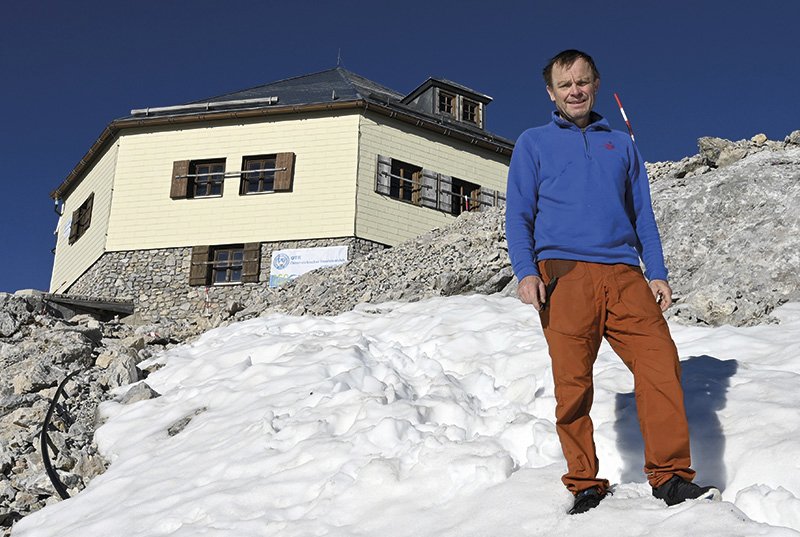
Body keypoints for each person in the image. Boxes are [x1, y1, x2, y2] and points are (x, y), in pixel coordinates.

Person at [505, 49, 719, 515]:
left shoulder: (621, 144)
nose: (575, 90)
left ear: (596, 83)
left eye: (582, 81)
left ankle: (671, 476)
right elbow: (518, 214)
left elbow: (643, 213)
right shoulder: (533, 143)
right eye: (565, 85)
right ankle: (584, 482)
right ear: (551, 93)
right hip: (563, 276)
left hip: (625, 276)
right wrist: (525, 272)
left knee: (660, 364)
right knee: (573, 386)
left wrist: (656, 271)